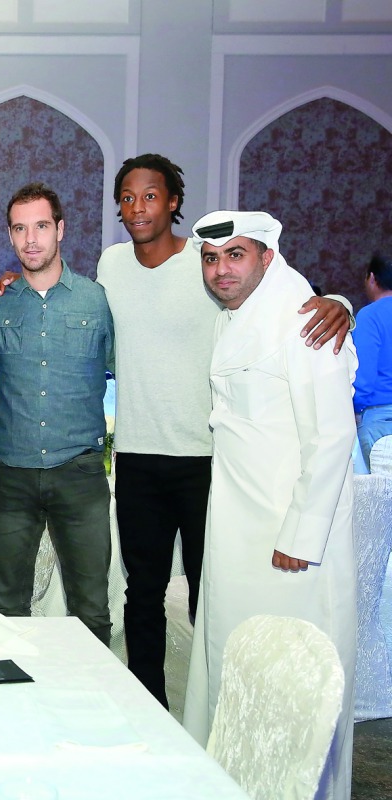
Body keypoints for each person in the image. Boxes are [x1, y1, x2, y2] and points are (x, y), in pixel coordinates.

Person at [95, 154, 351, 706]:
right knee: (142, 595)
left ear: (174, 202)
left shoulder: (207, 262)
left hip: (207, 461)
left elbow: (283, 293)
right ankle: (151, 711)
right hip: (138, 454)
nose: (138, 207)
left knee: (208, 597)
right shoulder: (110, 265)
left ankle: (220, 710)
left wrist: (341, 303)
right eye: (128, 197)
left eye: (151, 195)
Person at [184, 210, 357, 798]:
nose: (221, 270)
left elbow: (332, 437)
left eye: (235, 255)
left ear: (266, 256)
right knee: (235, 657)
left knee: (288, 672)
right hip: (237, 525)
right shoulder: (234, 318)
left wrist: (301, 535)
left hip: (289, 540)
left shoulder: (307, 320)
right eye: (211, 259)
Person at [0, 183, 113, 645]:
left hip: (78, 472)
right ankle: (13, 710)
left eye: (41, 226)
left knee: (91, 608)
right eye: (20, 229)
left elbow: (127, 367)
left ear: (60, 229)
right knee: (6, 608)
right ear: (10, 235)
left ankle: (92, 710)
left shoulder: (96, 300)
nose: (31, 239)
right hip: (10, 474)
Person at [354, 253, 392, 471]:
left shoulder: (370, 316)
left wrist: (354, 408)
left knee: (382, 501)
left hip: (381, 424)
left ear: (371, 278)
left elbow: (363, 377)